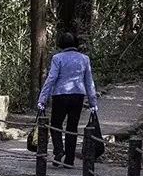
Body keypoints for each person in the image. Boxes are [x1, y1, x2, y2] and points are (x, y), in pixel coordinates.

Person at [36, 32, 97, 167]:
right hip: (78, 96)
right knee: (72, 127)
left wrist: (42, 99)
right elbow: (89, 81)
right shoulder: (84, 59)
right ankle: (69, 159)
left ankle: (59, 149)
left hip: (60, 95)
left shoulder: (57, 58)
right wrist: (93, 102)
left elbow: (51, 78)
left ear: (61, 44)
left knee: (56, 124)